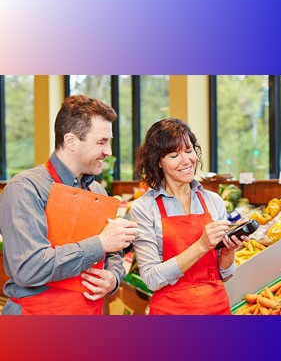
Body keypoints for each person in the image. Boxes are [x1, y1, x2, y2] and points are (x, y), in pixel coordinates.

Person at [0, 95, 139, 315]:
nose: (109, 151)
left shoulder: (98, 191)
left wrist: (113, 278)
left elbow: (113, 253)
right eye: (101, 142)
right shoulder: (25, 188)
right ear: (71, 141)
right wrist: (100, 243)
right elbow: (29, 268)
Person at [130, 118, 242, 315]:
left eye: (189, 151)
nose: (186, 161)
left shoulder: (213, 201)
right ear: (158, 161)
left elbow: (225, 273)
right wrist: (201, 245)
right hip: (171, 312)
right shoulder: (144, 208)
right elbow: (151, 278)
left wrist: (227, 251)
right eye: (174, 155)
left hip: (217, 308)